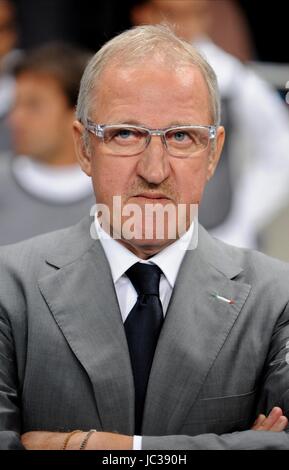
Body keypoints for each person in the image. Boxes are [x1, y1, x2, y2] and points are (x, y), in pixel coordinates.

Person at [1, 25, 289, 451]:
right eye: (125, 134)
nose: (154, 171)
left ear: (213, 153)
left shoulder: (277, 296)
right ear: (83, 148)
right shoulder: (8, 287)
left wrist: (104, 448)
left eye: (180, 137)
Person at [131, 0, 289, 251]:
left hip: (216, 236)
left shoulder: (232, 81)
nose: (182, 26)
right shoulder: (116, 74)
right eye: (171, 14)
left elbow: (281, 149)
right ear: (143, 13)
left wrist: (242, 213)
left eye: (194, 15)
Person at [0, 43, 95, 245]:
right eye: (15, 104)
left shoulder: (117, 193)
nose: (15, 118)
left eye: (33, 105)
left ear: (77, 113)